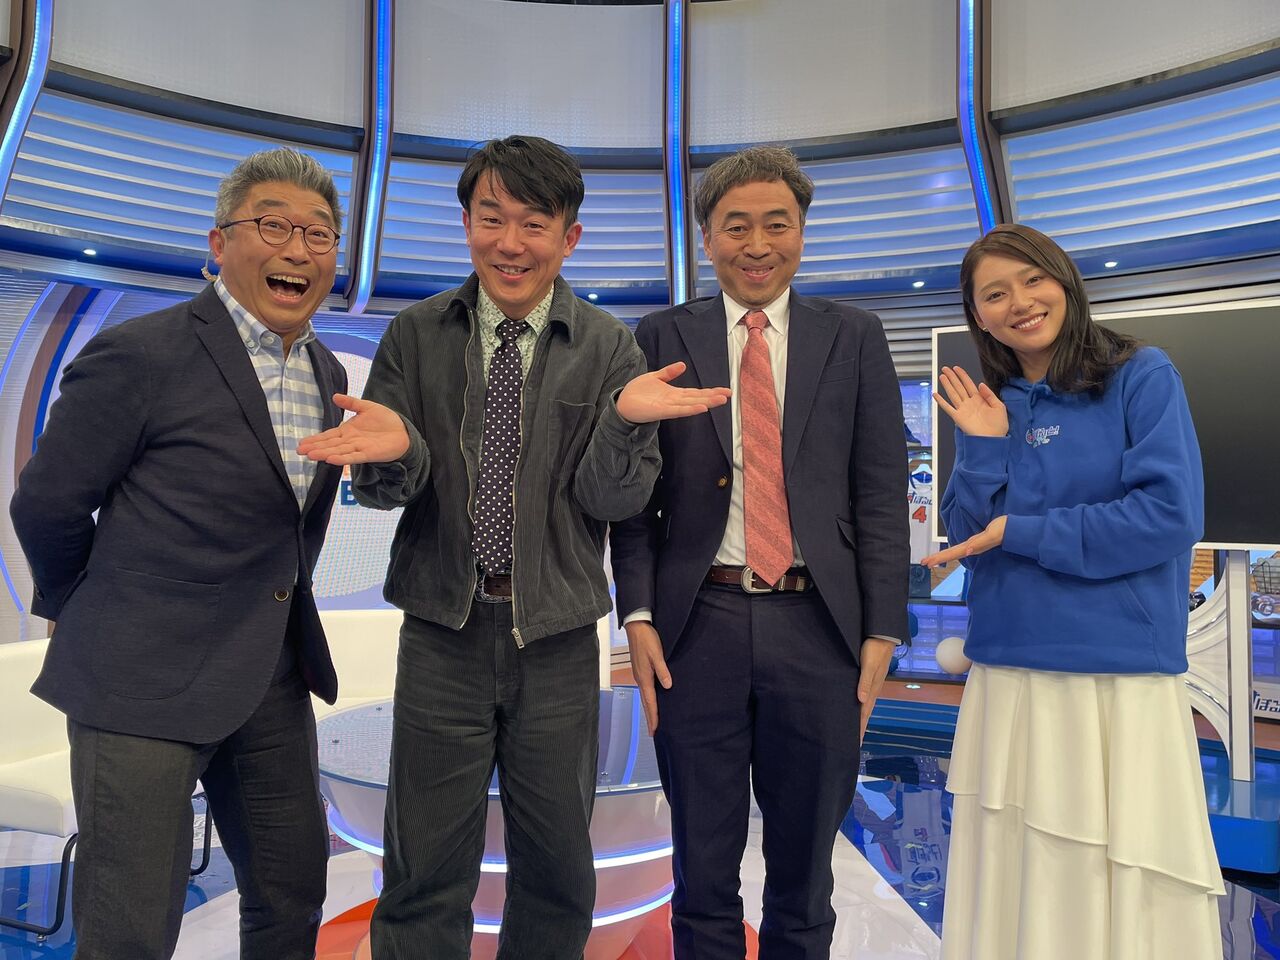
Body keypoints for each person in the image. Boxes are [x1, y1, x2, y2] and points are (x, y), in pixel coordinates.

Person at [297, 134, 729, 960]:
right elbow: (384, 492)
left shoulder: (609, 346)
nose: (510, 243)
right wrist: (399, 453)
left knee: (557, 870)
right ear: (466, 223)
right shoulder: (416, 335)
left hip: (557, 641)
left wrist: (622, 423)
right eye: (491, 218)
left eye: (535, 223)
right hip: (441, 634)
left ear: (569, 237)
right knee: (423, 869)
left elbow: (613, 501)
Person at [9, 147, 350, 960]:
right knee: (129, 930)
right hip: (140, 680)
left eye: (319, 234)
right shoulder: (142, 352)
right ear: (219, 241)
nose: (298, 249)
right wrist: (84, 605)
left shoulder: (327, 369)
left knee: (293, 895)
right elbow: (48, 503)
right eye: (274, 226)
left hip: (270, 678)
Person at [609, 145, 909, 959]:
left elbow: (880, 491)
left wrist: (883, 626)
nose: (757, 244)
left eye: (777, 224)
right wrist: (637, 613)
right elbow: (635, 497)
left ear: (802, 233)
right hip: (694, 623)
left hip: (819, 627)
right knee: (701, 865)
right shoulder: (661, 334)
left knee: (805, 872)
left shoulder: (853, 336)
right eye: (735, 226)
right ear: (706, 238)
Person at [923, 223, 1223, 959]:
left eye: (1033, 280)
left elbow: (1169, 516)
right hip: (1007, 669)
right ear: (977, 314)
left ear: (1065, 281)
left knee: (1113, 877)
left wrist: (1024, 532)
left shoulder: (1141, 375)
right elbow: (968, 534)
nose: (1020, 302)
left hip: (1116, 675)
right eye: (995, 294)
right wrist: (982, 444)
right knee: (1015, 878)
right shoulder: (991, 402)